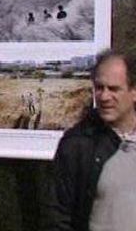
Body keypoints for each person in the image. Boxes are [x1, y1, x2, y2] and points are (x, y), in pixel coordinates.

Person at [45, 49, 136, 231]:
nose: (104, 97)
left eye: (113, 89)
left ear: (134, 92)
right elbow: (58, 217)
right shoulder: (78, 144)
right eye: (99, 88)